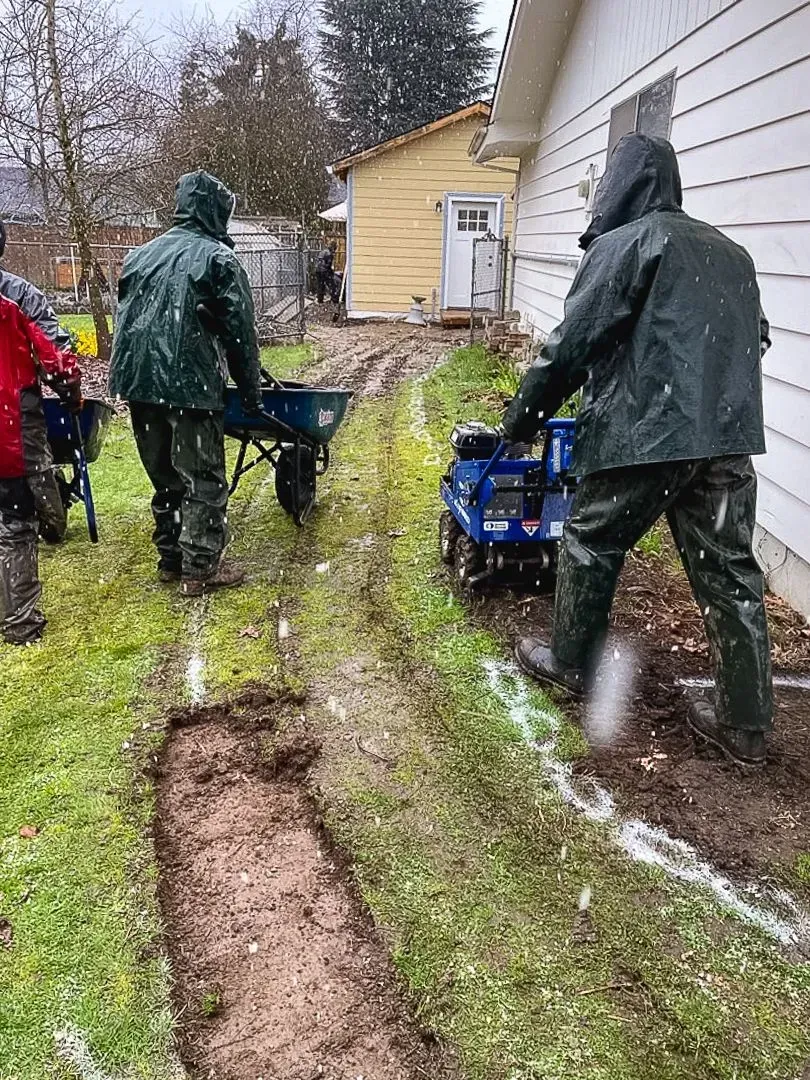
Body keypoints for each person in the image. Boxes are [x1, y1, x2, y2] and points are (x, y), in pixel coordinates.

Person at [502, 134, 773, 768]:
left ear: (621, 185)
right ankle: (747, 724)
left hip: (646, 434)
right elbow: (755, 337)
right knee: (730, 570)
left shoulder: (626, 245)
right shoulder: (733, 255)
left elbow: (571, 343)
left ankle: (571, 663)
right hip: (726, 439)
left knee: (592, 541)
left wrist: (523, 417)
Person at [109, 171, 261, 597]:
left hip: (139, 382)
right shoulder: (218, 259)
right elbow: (240, 333)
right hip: (190, 383)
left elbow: (128, 320)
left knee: (165, 476)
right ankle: (200, 568)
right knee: (202, 478)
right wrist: (249, 392)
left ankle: (171, 558)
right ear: (216, 211)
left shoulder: (140, 256)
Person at [0, 220, 82, 645]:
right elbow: (54, 353)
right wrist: (70, 391)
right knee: (16, 520)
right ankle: (19, 620)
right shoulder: (16, 297)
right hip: (11, 422)